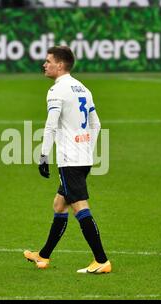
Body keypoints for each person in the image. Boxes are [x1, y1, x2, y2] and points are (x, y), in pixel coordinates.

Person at [24, 46, 111, 274]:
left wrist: (43, 156)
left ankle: (101, 260)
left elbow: (51, 125)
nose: (44, 64)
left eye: (48, 61)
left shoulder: (57, 90)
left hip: (70, 160)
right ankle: (43, 256)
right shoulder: (83, 88)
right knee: (59, 203)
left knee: (80, 207)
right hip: (83, 157)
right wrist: (87, 149)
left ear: (60, 65)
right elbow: (97, 124)